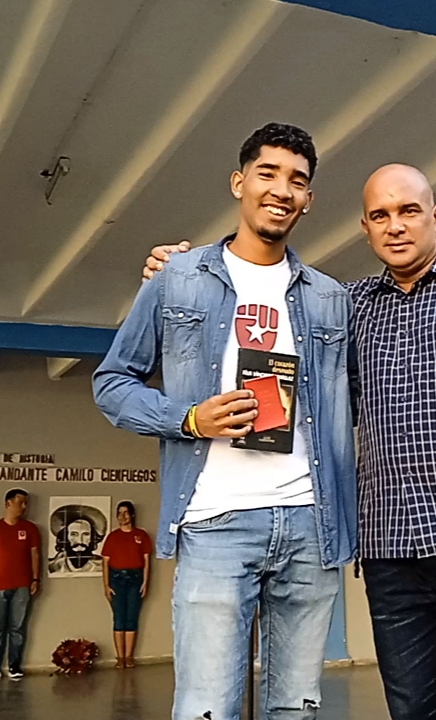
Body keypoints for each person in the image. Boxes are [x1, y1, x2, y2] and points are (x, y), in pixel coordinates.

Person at [145, 162, 436, 720]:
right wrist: (182, 272)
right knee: (414, 711)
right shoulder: (347, 306)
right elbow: (281, 347)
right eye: (380, 215)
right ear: (365, 229)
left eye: (409, 211)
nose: (395, 226)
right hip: (391, 552)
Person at [94, 123, 356, 720]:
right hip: (214, 524)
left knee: (298, 707)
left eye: (298, 181)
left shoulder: (330, 298)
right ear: (239, 183)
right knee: (205, 707)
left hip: (311, 526)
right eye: (268, 174)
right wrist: (189, 418)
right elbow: (111, 384)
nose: (282, 190)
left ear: (309, 200)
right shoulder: (176, 279)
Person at [0, 488, 41, 681]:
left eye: (26, 503)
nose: (24, 507)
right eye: (20, 502)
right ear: (8, 503)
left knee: (18, 627)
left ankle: (15, 665)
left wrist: (35, 579)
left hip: (22, 586)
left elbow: (35, 555)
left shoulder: (30, 529)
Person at [101, 501, 153, 669]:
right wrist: (106, 585)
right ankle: (120, 657)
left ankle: (129, 656)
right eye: (119, 513)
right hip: (117, 578)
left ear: (132, 515)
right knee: (119, 618)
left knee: (132, 617)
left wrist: (145, 582)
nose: (122, 516)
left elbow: (146, 561)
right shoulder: (113, 536)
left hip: (135, 578)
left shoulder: (141, 535)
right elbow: (105, 562)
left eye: (125, 513)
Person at [47, 507, 106, 575]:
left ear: (92, 538)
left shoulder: (102, 566)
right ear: (65, 537)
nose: (80, 541)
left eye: (85, 534)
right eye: (74, 534)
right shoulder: (53, 567)